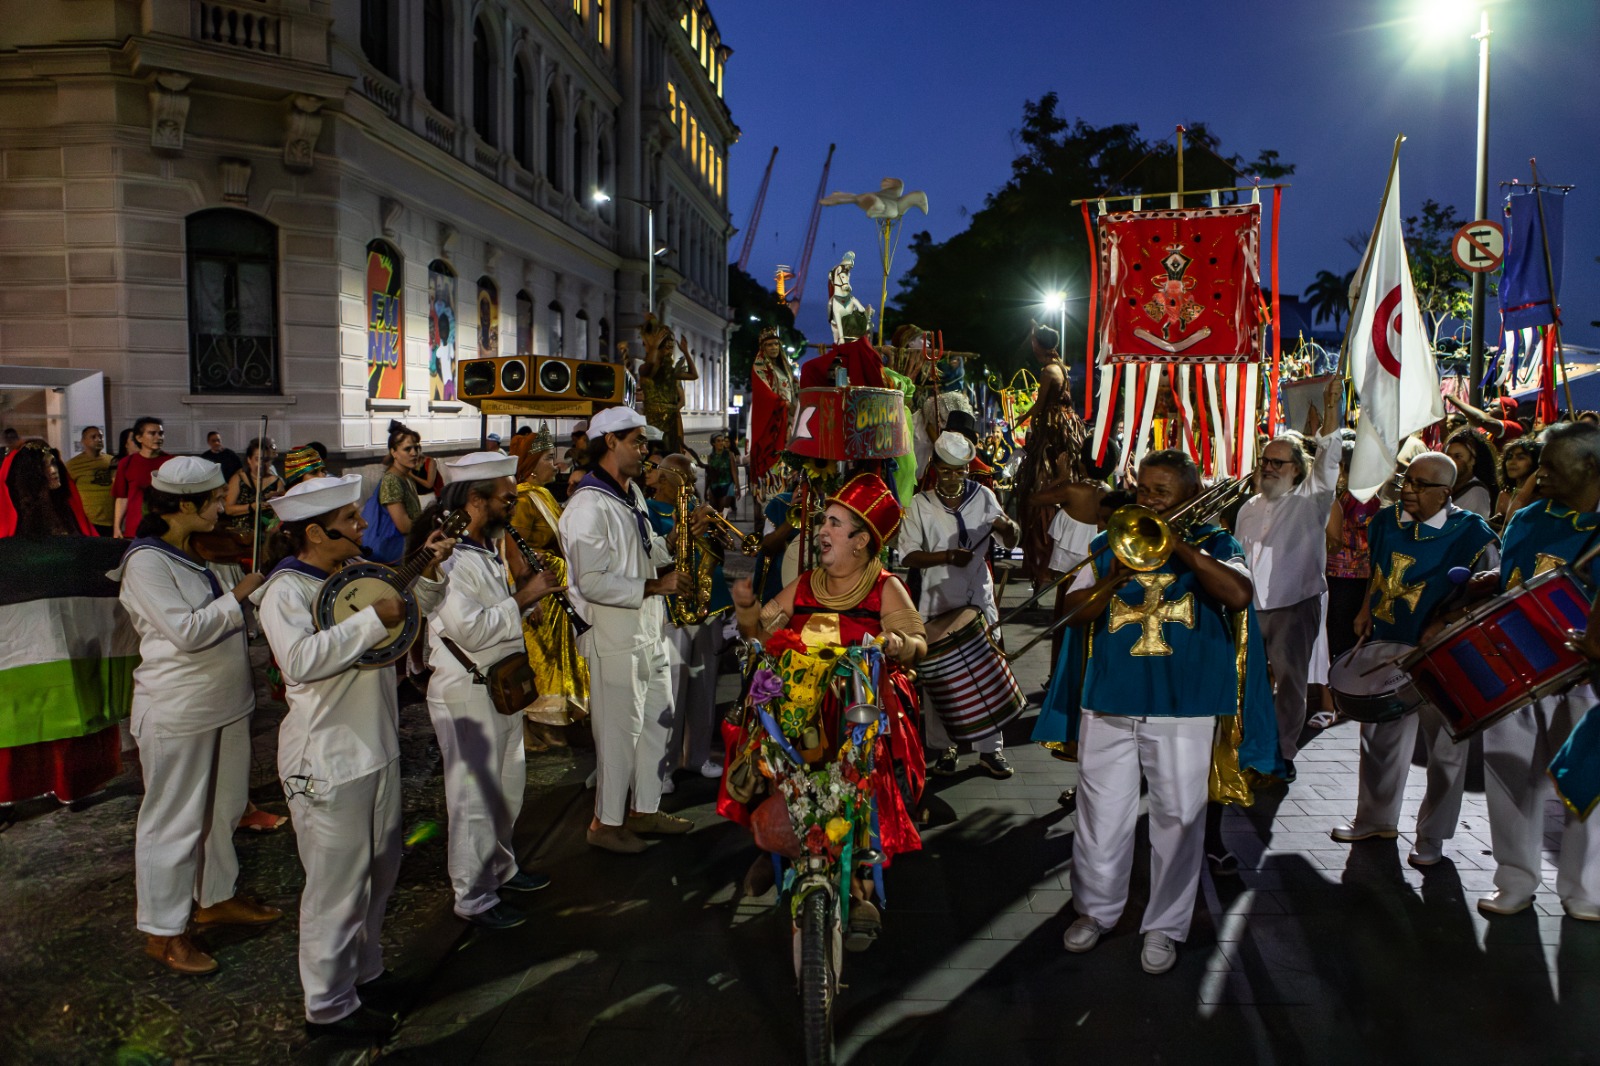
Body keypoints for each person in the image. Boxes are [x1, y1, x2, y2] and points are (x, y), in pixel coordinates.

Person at [257, 473, 456, 1039]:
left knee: (379, 870)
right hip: (327, 759)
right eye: (350, 519)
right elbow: (298, 660)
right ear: (315, 533)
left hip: (375, 746)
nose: (362, 524)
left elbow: (412, 608)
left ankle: (364, 973)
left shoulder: (348, 575)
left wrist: (431, 569)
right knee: (336, 887)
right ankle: (326, 1004)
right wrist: (373, 619)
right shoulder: (285, 590)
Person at [1056, 451, 1263, 975]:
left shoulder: (1221, 545)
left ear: (1190, 495)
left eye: (1161, 492)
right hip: (1109, 700)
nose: (1147, 500)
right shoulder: (1108, 543)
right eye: (1144, 488)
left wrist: (1182, 549)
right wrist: (1114, 570)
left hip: (1183, 705)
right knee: (1100, 817)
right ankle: (1096, 912)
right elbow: (1071, 614)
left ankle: (1165, 926)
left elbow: (1238, 595)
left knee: (1177, 819)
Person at [111, 456, 279, 975]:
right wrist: (240, 595)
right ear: (183, 506)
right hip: (178, 709)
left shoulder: (190, 550)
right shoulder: (146, 561)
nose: (223, 510)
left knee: (223, 808)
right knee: (173, 822)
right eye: (213, 502)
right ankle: (163, 931)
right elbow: (186, 631)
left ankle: (215, 896)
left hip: (225, 703)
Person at [1330, 451, 1499, 866]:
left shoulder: (1473, 535)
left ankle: (1432, 837)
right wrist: (1366, 608)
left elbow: (1490, 595)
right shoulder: (1386, 521)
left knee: (1445, 748)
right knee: (1379, 739)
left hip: (1444, 654)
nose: (1408, 489)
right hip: (1388, 641)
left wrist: (1451, 623)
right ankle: (1375, 818)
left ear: (1446, 492)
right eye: (1407, 480)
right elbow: (1379, 569)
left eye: (1421, 485)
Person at [426, 452, 562, 928]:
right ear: (476, 501)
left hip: (498, 686)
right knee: (474, 799)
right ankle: (473, 895)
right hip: (466, 691)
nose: (513, 503)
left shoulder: (487, 548)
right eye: (507, 496)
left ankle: (501, 866)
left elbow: (497, 616)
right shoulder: (449, 558)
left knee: (507, 786)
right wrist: (525, 597)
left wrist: (526, 605)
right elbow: (470, 630)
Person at [1473, 422, 1600, 921]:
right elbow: (1512, 581)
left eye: (1551, 465)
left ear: (1590, 466)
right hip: (1517, 667)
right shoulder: (1526, 517)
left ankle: (1586, 887)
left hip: (1584, 676)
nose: (1539, 474)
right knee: (1509, 777)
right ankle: (1516, 880)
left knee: (1587, 782)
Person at [559, 406, 697, 853]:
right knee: (620, 732)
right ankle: (606, 823)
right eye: (637, 441)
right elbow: (592, 581)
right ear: (610, 442)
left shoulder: (630, 492)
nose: (645, 450)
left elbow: (645, 546)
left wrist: (674, 542)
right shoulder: (586, 505)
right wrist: (659, 583)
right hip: (615, 636)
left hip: (647, 626)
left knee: (658, 719)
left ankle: (645, 808)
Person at [1234, 377, 1341, 774]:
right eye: (1265, 461)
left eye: (1277, 463)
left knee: (1291, 685)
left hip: (1294, 605)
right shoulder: (1247, 506)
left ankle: (1283, 753)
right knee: (1249, 684)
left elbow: (1329, 458)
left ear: (1298, 469)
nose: (1268, 468)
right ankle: (1249, 746)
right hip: (1252, 604)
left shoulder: (1311, 499)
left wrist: (1332, 411)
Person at [899, 431, 1021, 778]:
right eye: (947, 470)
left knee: (987, 670)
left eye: (961, 471)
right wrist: (946, 555)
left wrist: (1008, 525)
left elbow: (1010, 538)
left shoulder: (984, 496)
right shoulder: (920, 504)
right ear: (934, 467)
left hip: (977, 594)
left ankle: (990, 751)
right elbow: (908, 555)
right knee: (941, 675)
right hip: (937, 596)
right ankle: (946, 747)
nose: (954, 477)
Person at [507, 423, 589, 746]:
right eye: (547, 460)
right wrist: (531, 600)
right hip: (543, 597)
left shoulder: (540, 495)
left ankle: (558, 724)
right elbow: (514, 551)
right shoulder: (525, 500)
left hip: (557, 593)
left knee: (561, 660)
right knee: (544, 664)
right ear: (530, 467)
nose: (555, 465)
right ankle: (540, 729)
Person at [1014, 324, 1089, 584]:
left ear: (1038, 344)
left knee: (1034, 485)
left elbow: (1042, 403)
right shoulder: (1061, 366)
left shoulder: (1048, 370)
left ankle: (1040, 560)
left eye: (1033, 340)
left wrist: (1023, 419)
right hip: (1064, 429)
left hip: (1053, 432)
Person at [637, 315, 700, 454]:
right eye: (666, 345)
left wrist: (686, 352)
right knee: (655, 453)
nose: (670, 349)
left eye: (671, 346)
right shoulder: (647, 369)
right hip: (654, 420)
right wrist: (654, 347)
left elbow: (693, 375)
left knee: (670, 453)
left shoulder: (670, 372)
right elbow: (650, 366)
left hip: (670, 421)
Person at [366, 421, 424, 562]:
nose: (414, 453)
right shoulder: (392, 480)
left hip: (407, 551)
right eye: (407, 449)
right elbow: (404, 526)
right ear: (394, 452)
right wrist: (428, 524)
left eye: (417, 448)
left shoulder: (406, 477)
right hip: (395, 554)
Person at [748, 326, 795, 491]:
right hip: (773, 421)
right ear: (763, 348)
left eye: (776, 344)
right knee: (773, 458)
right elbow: (764, 394)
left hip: (789, 419)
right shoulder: (760, 368)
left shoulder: (784, 369)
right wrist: (783, 404)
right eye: (769, 345)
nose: (774, 347)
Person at [112, 417, 172, 538]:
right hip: (135, 527)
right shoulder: (127, 463)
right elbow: (122, 497)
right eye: (152, 433)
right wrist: (117, 527)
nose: (158, 437)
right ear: (139, 438)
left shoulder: (171, 462)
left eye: (161, 433)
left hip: (166, 527)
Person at [222, 437, 285, 546]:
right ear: (249, 460)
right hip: (241, 537)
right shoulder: (238, 479)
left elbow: (281, 512)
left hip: (266, 537)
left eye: (266, 460)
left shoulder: (277, 482)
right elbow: (228, 509)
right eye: (257, 459)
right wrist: (252, 507)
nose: (261, 464)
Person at [66, 426, 116, 536]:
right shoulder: (73, 465)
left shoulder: (112, 461)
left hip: (112, 520)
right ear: (83, 441)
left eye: (100, 437)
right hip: (89, 522)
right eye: (93, 437)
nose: (98, 439)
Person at [1445, 426, 1499, 519]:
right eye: (1448, 456)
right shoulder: (1448, 486)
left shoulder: (1477, 493)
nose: (1451, 461)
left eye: (1458, 456)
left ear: (1473, 460)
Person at [1492, 435, 1540, 528]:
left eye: (1520, 457)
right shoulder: (1504, 495)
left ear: (1534, 462)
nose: (1512, 462)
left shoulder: (1539, 498)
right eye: (1509, 457)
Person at [704, 432, 737, 513]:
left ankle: (725, 523)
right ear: (713, 443)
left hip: (727, 486)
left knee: (723, 513)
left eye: (722, 441)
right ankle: (718, 525)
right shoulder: (710, 457)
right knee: (715, 514)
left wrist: (738, 487)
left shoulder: (729, 455)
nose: (721, 443)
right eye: (718, 441)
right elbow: (708, 475)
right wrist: (705, 490)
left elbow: (734, 472)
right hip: (714, 487)